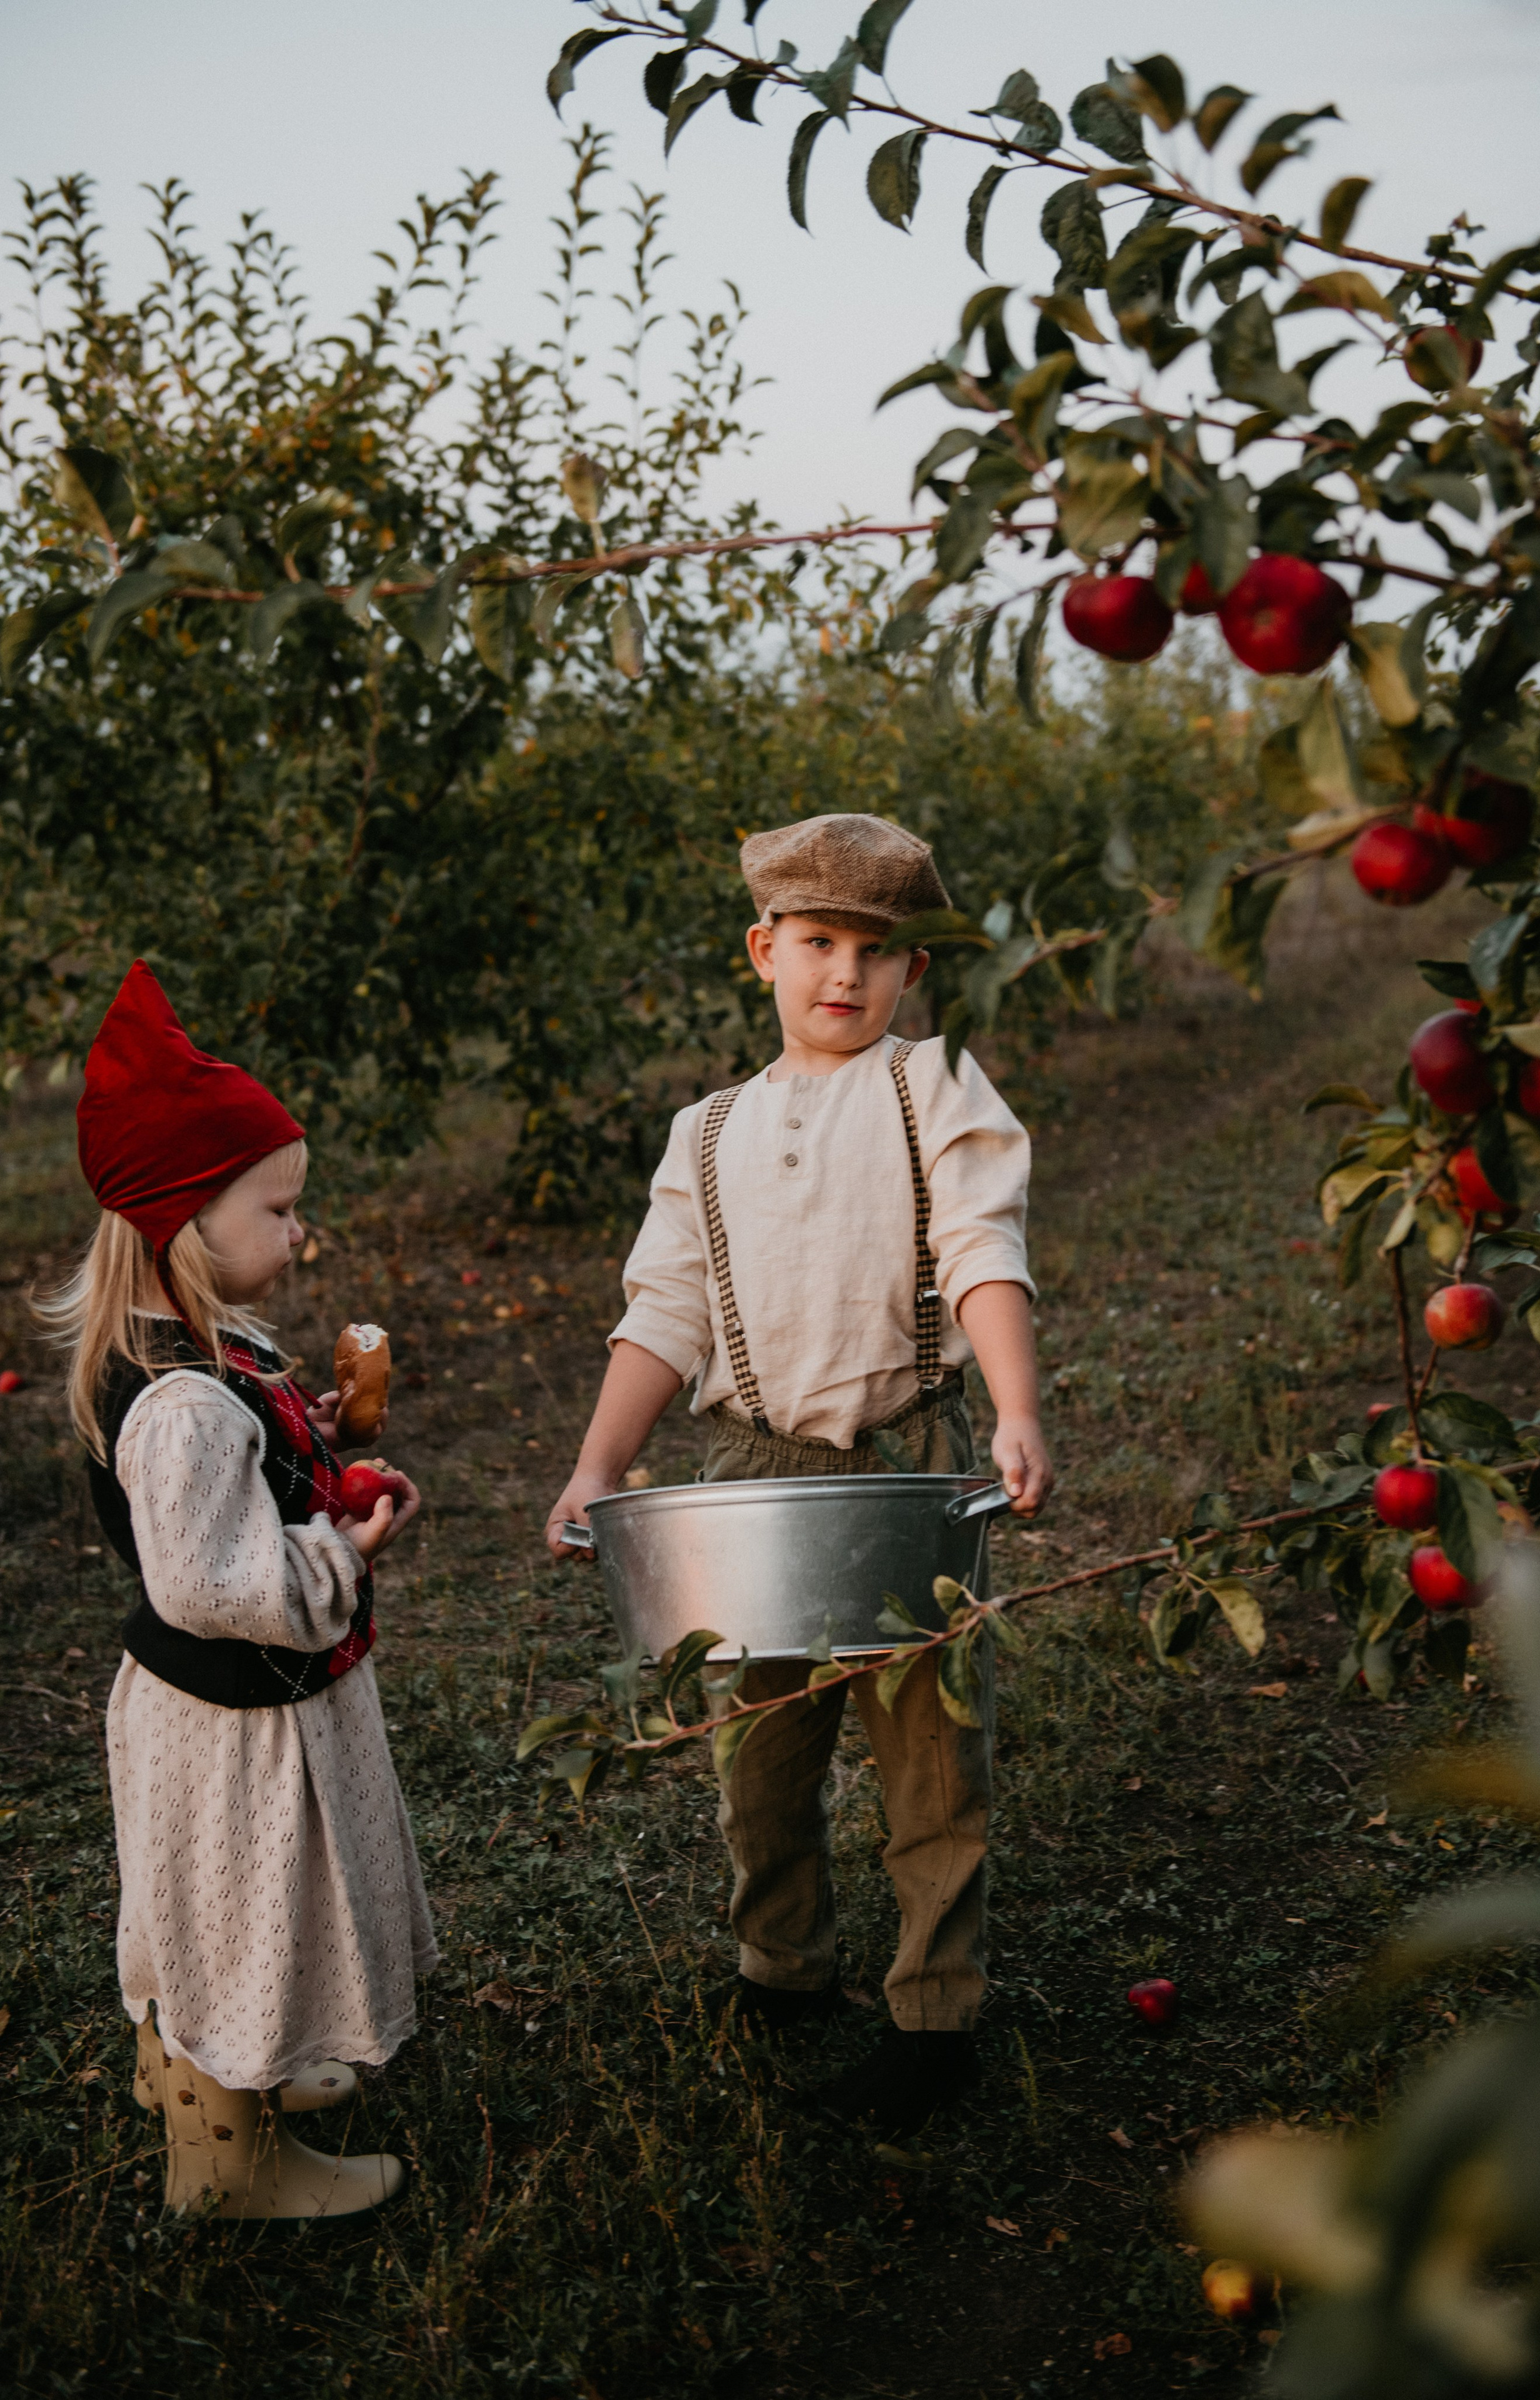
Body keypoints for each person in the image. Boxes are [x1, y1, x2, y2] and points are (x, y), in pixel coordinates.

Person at [546, 814, 1051, 2138]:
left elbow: (982, 1245)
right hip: (751, 1469)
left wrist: (1011, 1405)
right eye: (816, 942)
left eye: (875, 953)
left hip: (903, 1461)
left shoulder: (932, 1084)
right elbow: (661, 1312)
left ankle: (933, 2013)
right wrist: (598, 1464)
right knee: (760, 1748)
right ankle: (780, 1965)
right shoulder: (705, 1131)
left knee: (927, 1751)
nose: (845, 974)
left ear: (910, 976)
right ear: (761, 950)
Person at [36, 962, 436, 2220]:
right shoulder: (186, 1406)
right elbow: (212, 1578)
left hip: (226, 1711)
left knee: (213, 1907)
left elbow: (226, 1479)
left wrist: (306, 1431)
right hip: (234, 1724)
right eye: (277, 1208)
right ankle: (228, 2162)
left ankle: (210, 2078)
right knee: (239, 1912)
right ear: (184, 1226)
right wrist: (342, 1553)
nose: (299, 1231)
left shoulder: (210, 1364)